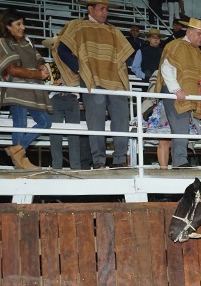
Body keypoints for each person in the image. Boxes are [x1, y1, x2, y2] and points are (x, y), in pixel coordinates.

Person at [54, 0, 133, 169]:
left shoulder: (113, 30)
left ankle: (119, 159)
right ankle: (98, 161)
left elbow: (125, 56)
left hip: (114, 79)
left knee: (121, 118)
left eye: (107, 9)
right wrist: (80, 69)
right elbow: (62, 50)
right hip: (92, 79)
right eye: (101, 8)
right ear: (90, 8)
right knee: (95, 120)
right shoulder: (77, 26)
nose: (105, 12)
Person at [0, 8, 51, 170]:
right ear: (8, 26)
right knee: (22, 123)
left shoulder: (27, 41)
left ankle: (18, 152)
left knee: (44, 122)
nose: (23, 27)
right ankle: (21, 158)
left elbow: (38, 58)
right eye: (18, 24)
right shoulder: (3, 43)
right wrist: (38, 74)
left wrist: (43, 67)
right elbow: (12, 69)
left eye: (23, 24)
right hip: (16, 89)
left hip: (31, 89)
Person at [155, 17, 201, 168]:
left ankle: (180, 160)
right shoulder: (176, 45)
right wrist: (176, 89)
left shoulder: (198, 52)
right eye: (199, 34)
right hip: (176, 93)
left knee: (182, 129)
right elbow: (166, 68)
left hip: (188, 94)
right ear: (189, 31)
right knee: (180, 128)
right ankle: (180, 161)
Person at [42, 36, 91, 170]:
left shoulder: (73, 63)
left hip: (70, 98)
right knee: (56, 134)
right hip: (57, 98)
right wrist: (55, 84)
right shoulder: (49, 66)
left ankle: (74, 166)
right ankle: (58, 165)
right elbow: (44, 84)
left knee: (73, 134)